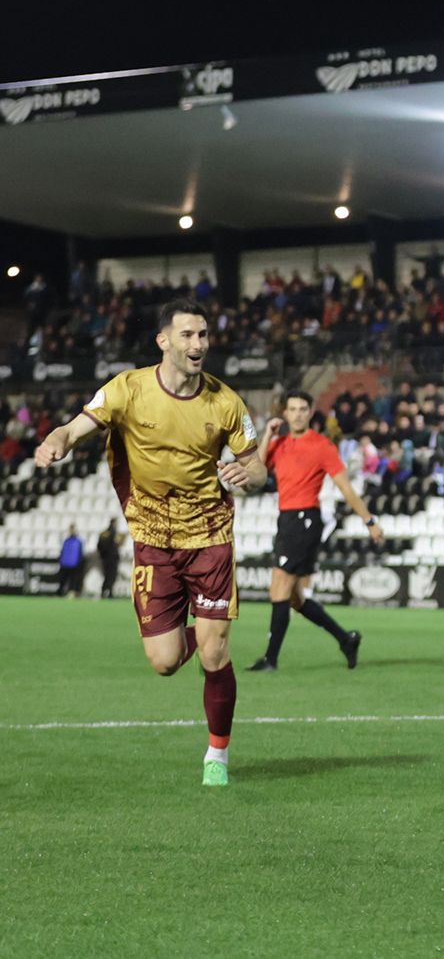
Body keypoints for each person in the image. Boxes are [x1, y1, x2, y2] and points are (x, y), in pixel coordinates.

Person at [33, 298, 267, 786]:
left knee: (214, 655)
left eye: (203, 335)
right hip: (153, 538)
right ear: (163, 340)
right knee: (163, 663)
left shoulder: (226, 402)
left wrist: (248, 472)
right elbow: (74, 427)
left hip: (209, 537)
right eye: (187, 335)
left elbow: (260, 466)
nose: (198, 344)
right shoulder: (128, 389)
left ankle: (217, 757)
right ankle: (205, 633)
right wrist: (58, 441)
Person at [247, 390, 383, 672]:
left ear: (310, 413)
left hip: (304, 519)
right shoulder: (279, 443)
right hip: (287, 520)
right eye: (292, 409)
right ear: (284, 413)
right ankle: (346, 639)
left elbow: (346, 488)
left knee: (279, 586)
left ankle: (270, 659)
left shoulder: (321, 446)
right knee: (295, 599)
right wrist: (267, 436)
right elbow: (256, 472)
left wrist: (369, 521)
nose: (297, 414)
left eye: (302, 409)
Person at [97, 518, 123, 598]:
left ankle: (106, 591)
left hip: (106, 559)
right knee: (111, 576)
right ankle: (108, 592)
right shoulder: (114, 534)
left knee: (108, 576)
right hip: (112, 559)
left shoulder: (104, 533)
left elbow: (99, 546)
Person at [57, 524, 85, 597]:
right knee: (63, 580)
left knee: (73, 580)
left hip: (75, 564)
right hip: (65, 564)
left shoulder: (78, 541)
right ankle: (61, 592)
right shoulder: (66, 541)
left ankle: (72, 592)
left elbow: (80, 553)